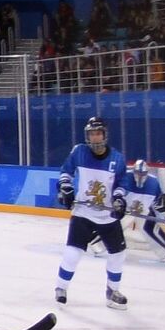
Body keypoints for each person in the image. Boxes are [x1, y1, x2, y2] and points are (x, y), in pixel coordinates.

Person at [53, 116, 130, 309]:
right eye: (91, 134)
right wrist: (66, 188)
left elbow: (122, 183)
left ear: (105, 135)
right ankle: (61, 288)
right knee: (73, 253)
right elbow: (65, 172)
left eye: (98, 133)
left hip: (107, 215)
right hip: (83, 213)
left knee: (118, 253)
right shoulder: (79, 152)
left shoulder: (117, 158)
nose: (95, 138)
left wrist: (120, 199)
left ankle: (112, 291)